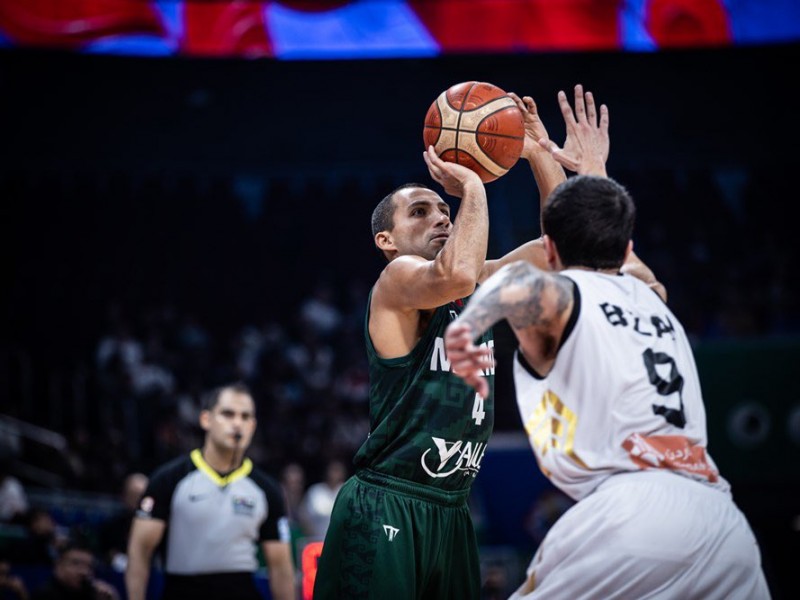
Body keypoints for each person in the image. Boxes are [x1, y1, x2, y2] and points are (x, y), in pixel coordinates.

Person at [443, 85, 771, 599]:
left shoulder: (564, 296)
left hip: (629, 509)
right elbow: (597, 239)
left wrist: (467, 328)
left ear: (547, 251)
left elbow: (517, 285)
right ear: (630, 247)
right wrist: (586, 168)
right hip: (721, 520)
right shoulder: (652, 295)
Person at [313, 87, 602, 599]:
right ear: (387, 240)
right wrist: (474, 185)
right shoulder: (399, 279)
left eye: (443, 210)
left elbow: (562, 249)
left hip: (451, 507)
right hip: (388, 500)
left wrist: (535, 153)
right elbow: (459, 273)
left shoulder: (479, 284)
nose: (441, 216)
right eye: (420, 213)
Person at [125, 382, 295, 600]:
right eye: (228, 414)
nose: (237, 424)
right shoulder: (169, 479)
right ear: (206, 419)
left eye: (245, 417)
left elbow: (281, 567)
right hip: (183, 590)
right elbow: (139, 551)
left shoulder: (267, 489)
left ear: (252, 426)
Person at [30, 541, 119, 600]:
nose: (83, 571)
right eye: (75, 563)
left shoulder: (93, 594)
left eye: (88, 566)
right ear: (59, 565)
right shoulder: (44, 594)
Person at [98, 472, 148, 572]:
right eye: (133, 495)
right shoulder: (110, 525)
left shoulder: (159, 526)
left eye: (141, 496)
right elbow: (104, 553)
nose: (138, 500)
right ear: (124, 496)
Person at [297, 459, 347, 540]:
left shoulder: (347, 491)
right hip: (316, 540)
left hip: (339, 542)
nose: (334, 474)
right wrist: (312, 536)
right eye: (332, 470)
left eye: (337, 470)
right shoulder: (315, 490)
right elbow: (303, 516)